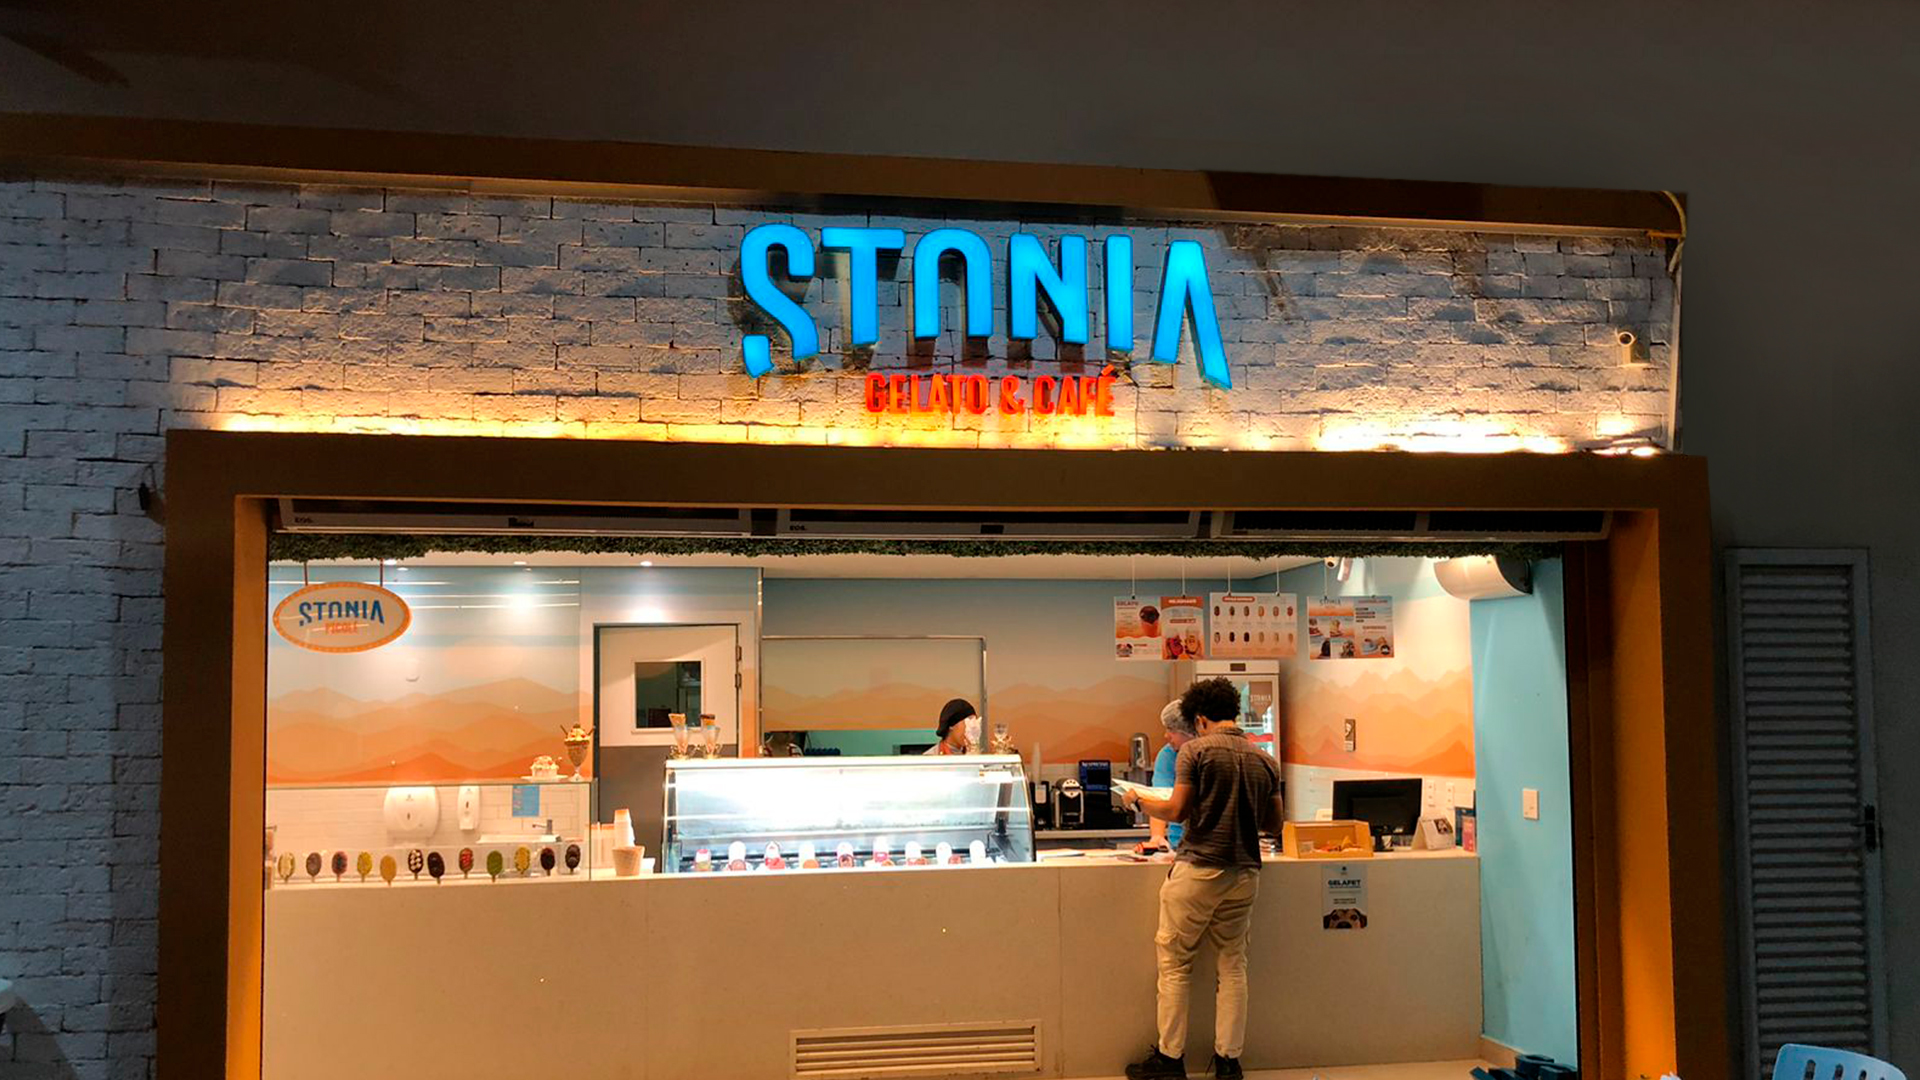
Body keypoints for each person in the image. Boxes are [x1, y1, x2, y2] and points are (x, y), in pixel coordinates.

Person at [1118, 677, 1282, 1080]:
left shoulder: (1195, 752)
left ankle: (1170, 1059)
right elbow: (1274, 823)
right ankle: (1228, 1062)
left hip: (1199, 870)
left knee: (1175, 966)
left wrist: (1138, 800)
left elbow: (1176, 810)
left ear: (1200, 719)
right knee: (1233, 967)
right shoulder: (1265, 759)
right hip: (1244, 873)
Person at [1134, 699, 1195, 855]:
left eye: (1171, 730)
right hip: (1179, 843)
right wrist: (1157, 836)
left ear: (1189, 731)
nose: (1166, 735)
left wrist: (1138, 802)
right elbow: (1160, 797)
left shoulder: (1210, 754)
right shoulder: (1168, 755)